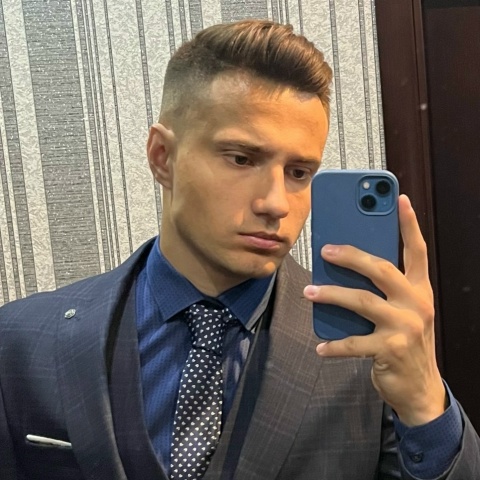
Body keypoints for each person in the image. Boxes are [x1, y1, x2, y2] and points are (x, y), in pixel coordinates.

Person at [0, 19, 478, 480]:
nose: (276, 203)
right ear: (162, 157)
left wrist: (425, 403)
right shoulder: (20, 342)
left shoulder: (366, 348)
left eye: (299, 172)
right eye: (242, 159)